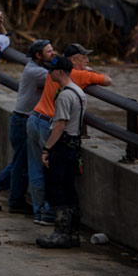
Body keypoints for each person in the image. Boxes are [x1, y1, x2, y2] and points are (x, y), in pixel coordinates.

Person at [27, 42, 111, 225]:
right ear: (73, 61)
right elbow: (107, 79)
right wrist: (89, 69)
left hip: (33, 118)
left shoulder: (57, 73)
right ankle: (50, 215)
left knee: (34, 168)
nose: (87, 61)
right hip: (48, 125)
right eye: (84, 58)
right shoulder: (75, 75)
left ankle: (38, 212)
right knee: (52, 173)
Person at [0, 39, 52, 218]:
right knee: (20, 164)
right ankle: (8, 197)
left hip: (22, 119)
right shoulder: (37, 72)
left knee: (19, 162)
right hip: (23, 120)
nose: (52, 54)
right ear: (38, 55)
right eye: (49, 52)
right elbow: (61, 79)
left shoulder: (34, 68)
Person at [37, 56, 87, 248]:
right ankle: (73, 234)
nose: (49, 73)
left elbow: (59, 125)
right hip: (74, 144)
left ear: (59, 72)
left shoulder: (65, 95)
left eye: (51, 70)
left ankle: (61, 233)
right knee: (69, 189)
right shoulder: (79, 92)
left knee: (56, 188)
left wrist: (47, 148)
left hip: (63, 144)